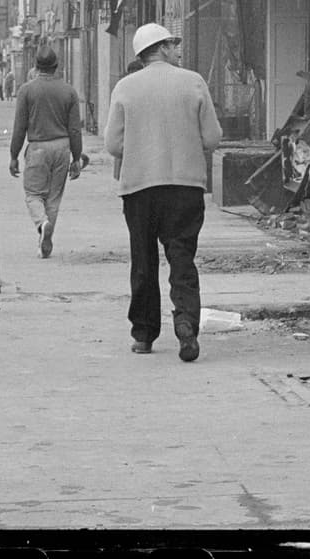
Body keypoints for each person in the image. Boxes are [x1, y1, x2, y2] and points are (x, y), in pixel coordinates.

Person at [104, 23, 222, 362]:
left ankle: (143, 334)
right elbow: (212, 138)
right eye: (174, 43)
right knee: (182, 257)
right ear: (162, 48)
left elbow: (113, 145)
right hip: (186, 188)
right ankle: (186, 323)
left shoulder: (125, 87)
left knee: (143, 260)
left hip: (139, 189)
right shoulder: (194, 81)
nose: (178, 49)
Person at [8, 45, 83, 260]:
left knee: (33, 194)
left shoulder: (27, 90)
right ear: (56, 66)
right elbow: (75, 129)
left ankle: (42, 224)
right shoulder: (69, 91)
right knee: (53, 197)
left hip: (38, 147)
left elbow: (19, 126)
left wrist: (14, 155)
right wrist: (76, 157)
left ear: (36, 66)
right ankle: (44, 242)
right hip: (62, 147)